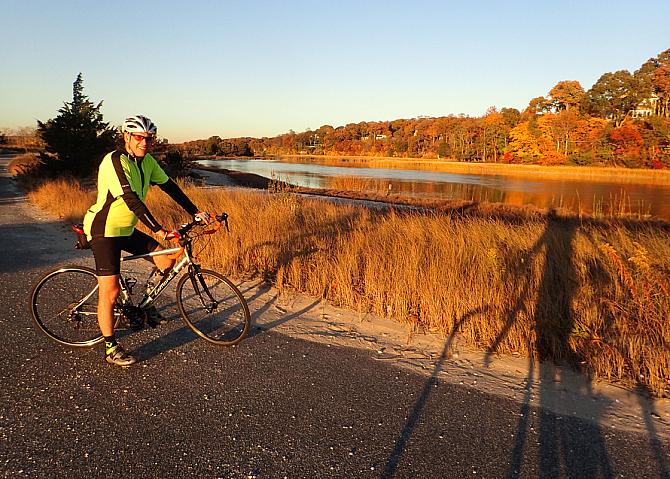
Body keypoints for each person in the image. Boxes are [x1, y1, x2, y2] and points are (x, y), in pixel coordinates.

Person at [83, 115, 211, 367]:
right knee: (110, 292)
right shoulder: (114, 161)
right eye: (139, 137)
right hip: (104, 229)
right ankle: (110, 346)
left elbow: (169, 186)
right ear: (127, 137)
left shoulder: (148, 161)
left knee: (167, 259)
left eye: (149, 138)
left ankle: (146, 304)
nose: (144, 142)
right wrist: (159, 230)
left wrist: (195, 211)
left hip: (126, 228)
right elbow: (131, 199)